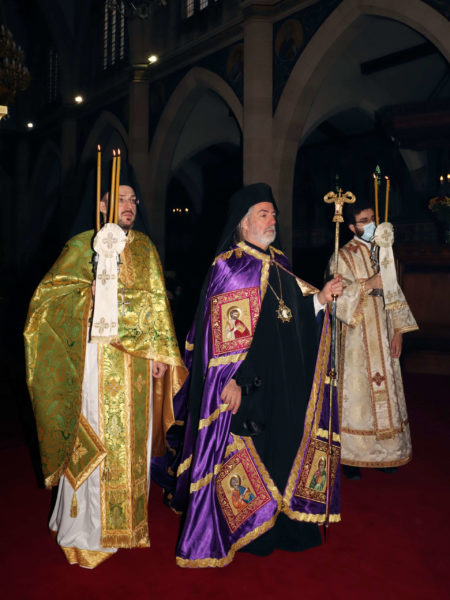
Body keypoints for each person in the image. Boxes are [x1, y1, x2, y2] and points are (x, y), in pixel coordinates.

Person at [155, 183, 343, 567]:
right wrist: (231, 380)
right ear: (243, 224)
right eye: (263, 214)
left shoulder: (280, 264)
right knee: (251, 451)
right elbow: (217, 339)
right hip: (249, 384)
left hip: (284, 379)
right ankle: (252, 532)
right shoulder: (229, 267)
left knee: (286, 445)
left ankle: (288, 526)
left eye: (273, 214)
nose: (272, 220)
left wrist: (322, 299)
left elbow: (294, 318)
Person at [24, 163, 187, 568]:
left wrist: (159, 355)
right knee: (94, 437)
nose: (129, 205)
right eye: (120, 198)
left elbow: (157, 304)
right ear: (101, 204)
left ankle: (125, 525)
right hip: (96, 361)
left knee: (133, 445)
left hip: (136, 367)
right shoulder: (84, 246)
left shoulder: (145, 248)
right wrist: (89, 296)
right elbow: (47, 301)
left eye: (133, 199)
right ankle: (84, 531)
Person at [329, 202, 418, 480]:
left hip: (384, 332)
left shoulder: (383, 251)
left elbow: (394, 292)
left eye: (372, 218)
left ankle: (385, 453)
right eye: (364, 221)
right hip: (355, 338)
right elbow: (335, 300)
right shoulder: (342, 255)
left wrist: (398, 331)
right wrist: (368, 285)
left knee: (385, 397)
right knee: (358, 399)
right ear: (352, 227)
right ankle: (351, 458)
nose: (371, 224)